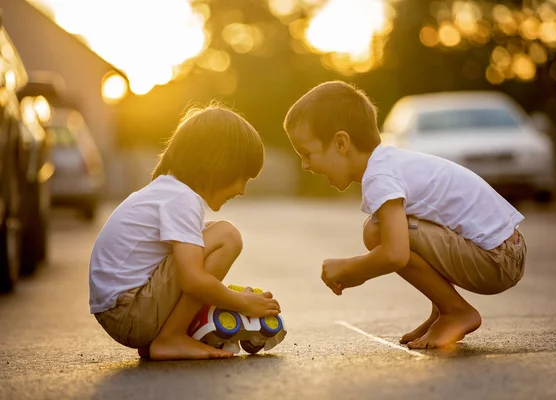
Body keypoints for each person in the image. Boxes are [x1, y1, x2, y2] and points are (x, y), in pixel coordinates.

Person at [283, 81, 526, 349]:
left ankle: (456, 311)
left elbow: (395, 253)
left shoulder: (380, 176)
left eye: (307, 154)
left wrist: (352, 269)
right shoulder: (389, 162)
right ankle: (443, 311)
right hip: (505, 251)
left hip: (496, 260)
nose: (305, 165)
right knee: (383, 229)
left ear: (341, 142)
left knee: (377, 233)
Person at [89, 105, 281, 360]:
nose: (242, 190)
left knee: (210, 233)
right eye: (242, 178)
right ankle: (171, 337)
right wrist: (241, 302)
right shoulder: (181, 198)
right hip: (129, 312)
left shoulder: (169, 191)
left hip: (125, 311)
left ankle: (163, 337)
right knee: (227, 235)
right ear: (218, 164)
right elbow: (193, 280)